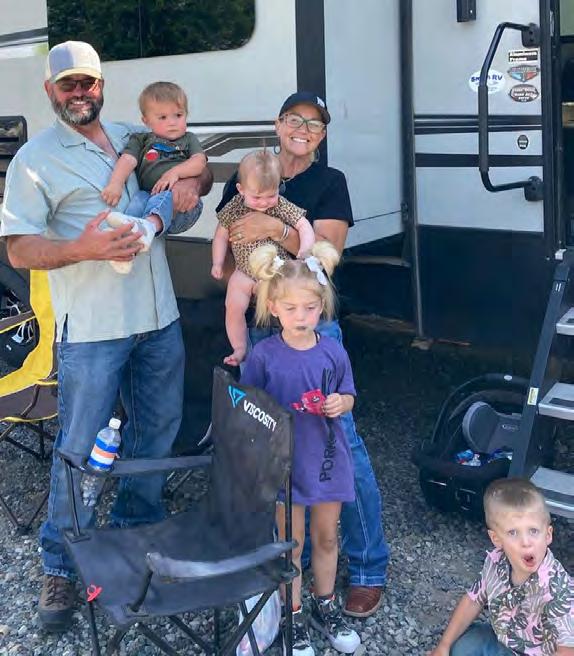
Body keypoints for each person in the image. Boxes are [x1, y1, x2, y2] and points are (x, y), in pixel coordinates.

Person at [0, 41, 212, 632]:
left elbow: (197, 172)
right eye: (67, 84)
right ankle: (60, 565)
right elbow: (18, 248)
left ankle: (132, 542)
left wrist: (192, 187)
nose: (79, 93)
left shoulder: (135, 135)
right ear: (50, 91)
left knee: (157, 435)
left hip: (159, 319)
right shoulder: (35, 160)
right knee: (78, 447)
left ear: (101, 86)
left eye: (87, 82)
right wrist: (81, 248)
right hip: (93, 330)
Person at [216, 91, 389, 617]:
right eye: (295, 119)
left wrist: (273, 229)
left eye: (314, 124)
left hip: (314, 326)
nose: (303, 129)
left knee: (340, 439)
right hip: (262, 328)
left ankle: (368, 566)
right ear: (278, 123)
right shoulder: (247, 171)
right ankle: (286, 562)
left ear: (323, 135)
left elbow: (325, 255)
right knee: (270, 439)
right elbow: (228, 236)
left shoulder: (330, 182)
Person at [242, 241, 361, 656]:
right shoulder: (263, 356)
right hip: (284, 464)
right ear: (273, 307)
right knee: (290, 541)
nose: (301, 316)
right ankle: (291, 614)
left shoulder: (333, 351)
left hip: (327, 458)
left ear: (321, 307)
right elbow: (246, 405)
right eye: (291, 308)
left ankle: (325, 604)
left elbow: (350, 394)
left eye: (309, 308)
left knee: (326, 537)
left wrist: (340, 403)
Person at [428, 479, 574, 656]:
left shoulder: (557, 591)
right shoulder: (496, 562)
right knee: (461, 647)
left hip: (544, 652)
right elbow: (473, 600)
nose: (526, 542)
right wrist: (444, 645)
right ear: (496, 539)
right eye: (513, 533)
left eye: (533, 531)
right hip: (507, 641)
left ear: (548, 535)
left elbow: (567, 651)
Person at [212, 149, 314, 365]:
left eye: (271, 195)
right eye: (257, 197)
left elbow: (304, 226)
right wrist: (218, 262)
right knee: (233, 307)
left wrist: (304, 252)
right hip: (244, 271)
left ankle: (293, 346)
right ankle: (239, 347)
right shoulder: (234, 207)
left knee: (286, 308)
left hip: (276, 269)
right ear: (241, 190)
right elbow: (220, 235)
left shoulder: (280, 205)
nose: (264, 203)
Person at [101, 81, 207, 273]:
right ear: (146, 121)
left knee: (164, 196)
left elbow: (199, 162)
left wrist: (175, 173)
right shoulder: (141, 139)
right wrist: (115, 183)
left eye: (178, 115)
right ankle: (124, 251)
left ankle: (148, 226)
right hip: (149, 197)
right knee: (136, 203)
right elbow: (127, 160)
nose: (172, 122)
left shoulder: (188, 139)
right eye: (163, 117)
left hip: (182, 205)